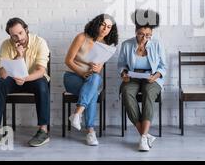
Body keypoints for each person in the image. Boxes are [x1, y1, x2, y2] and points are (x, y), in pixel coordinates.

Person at [0, 17, 50, 147]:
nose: (19, 38)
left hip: (33, 79)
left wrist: (25, 78)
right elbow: (3, 74)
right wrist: (18, 56)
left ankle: (43, 130)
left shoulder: (40, 42)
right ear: (10, 35)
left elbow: (40, 70)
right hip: (13, 79)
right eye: (14, 36)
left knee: (43, 85)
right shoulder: (6, 44)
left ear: (26, 29)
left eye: (20, 33)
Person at [64, 14, 118, 146]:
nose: (105, 29)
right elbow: (68, 61)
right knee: (93, 92)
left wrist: (98, 67)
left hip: (91, 79)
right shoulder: (82, 37)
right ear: (97, 24)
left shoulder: (106, 46)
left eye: (109, 27)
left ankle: (78, 114)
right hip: (72, 77)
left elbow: (98, 71)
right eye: (103, 25)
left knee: (94, 80)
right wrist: (82, 73)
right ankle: (90, 131)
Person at [118, 9, 166, 151]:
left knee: (148, 93)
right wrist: (124, 74)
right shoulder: (127, 45)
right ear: (135, 32)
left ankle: (143, 138)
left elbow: (163, 66)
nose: (144, 37)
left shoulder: (157, 44)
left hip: (151, 78)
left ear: (152, 34)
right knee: (126, 93)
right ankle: (145, 136)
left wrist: (156, 76)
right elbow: (121, 65)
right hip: (133, 77)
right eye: (141, 34)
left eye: (148, 35)